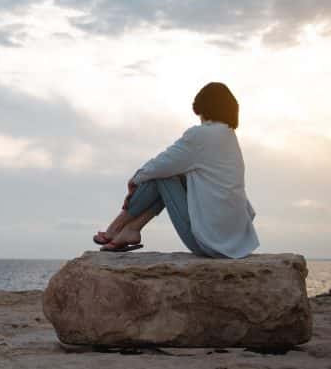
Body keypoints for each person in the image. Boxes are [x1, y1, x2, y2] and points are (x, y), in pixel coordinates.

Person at [93, 82, 259, 259]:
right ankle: (131, 230)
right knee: (175, 175)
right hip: (235, 241)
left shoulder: (201, 135)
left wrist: (134, 180)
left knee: (163, 176)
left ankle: (115, 229)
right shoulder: (229, 137)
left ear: (203, 109)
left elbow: (160, 165)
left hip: (212, 243)